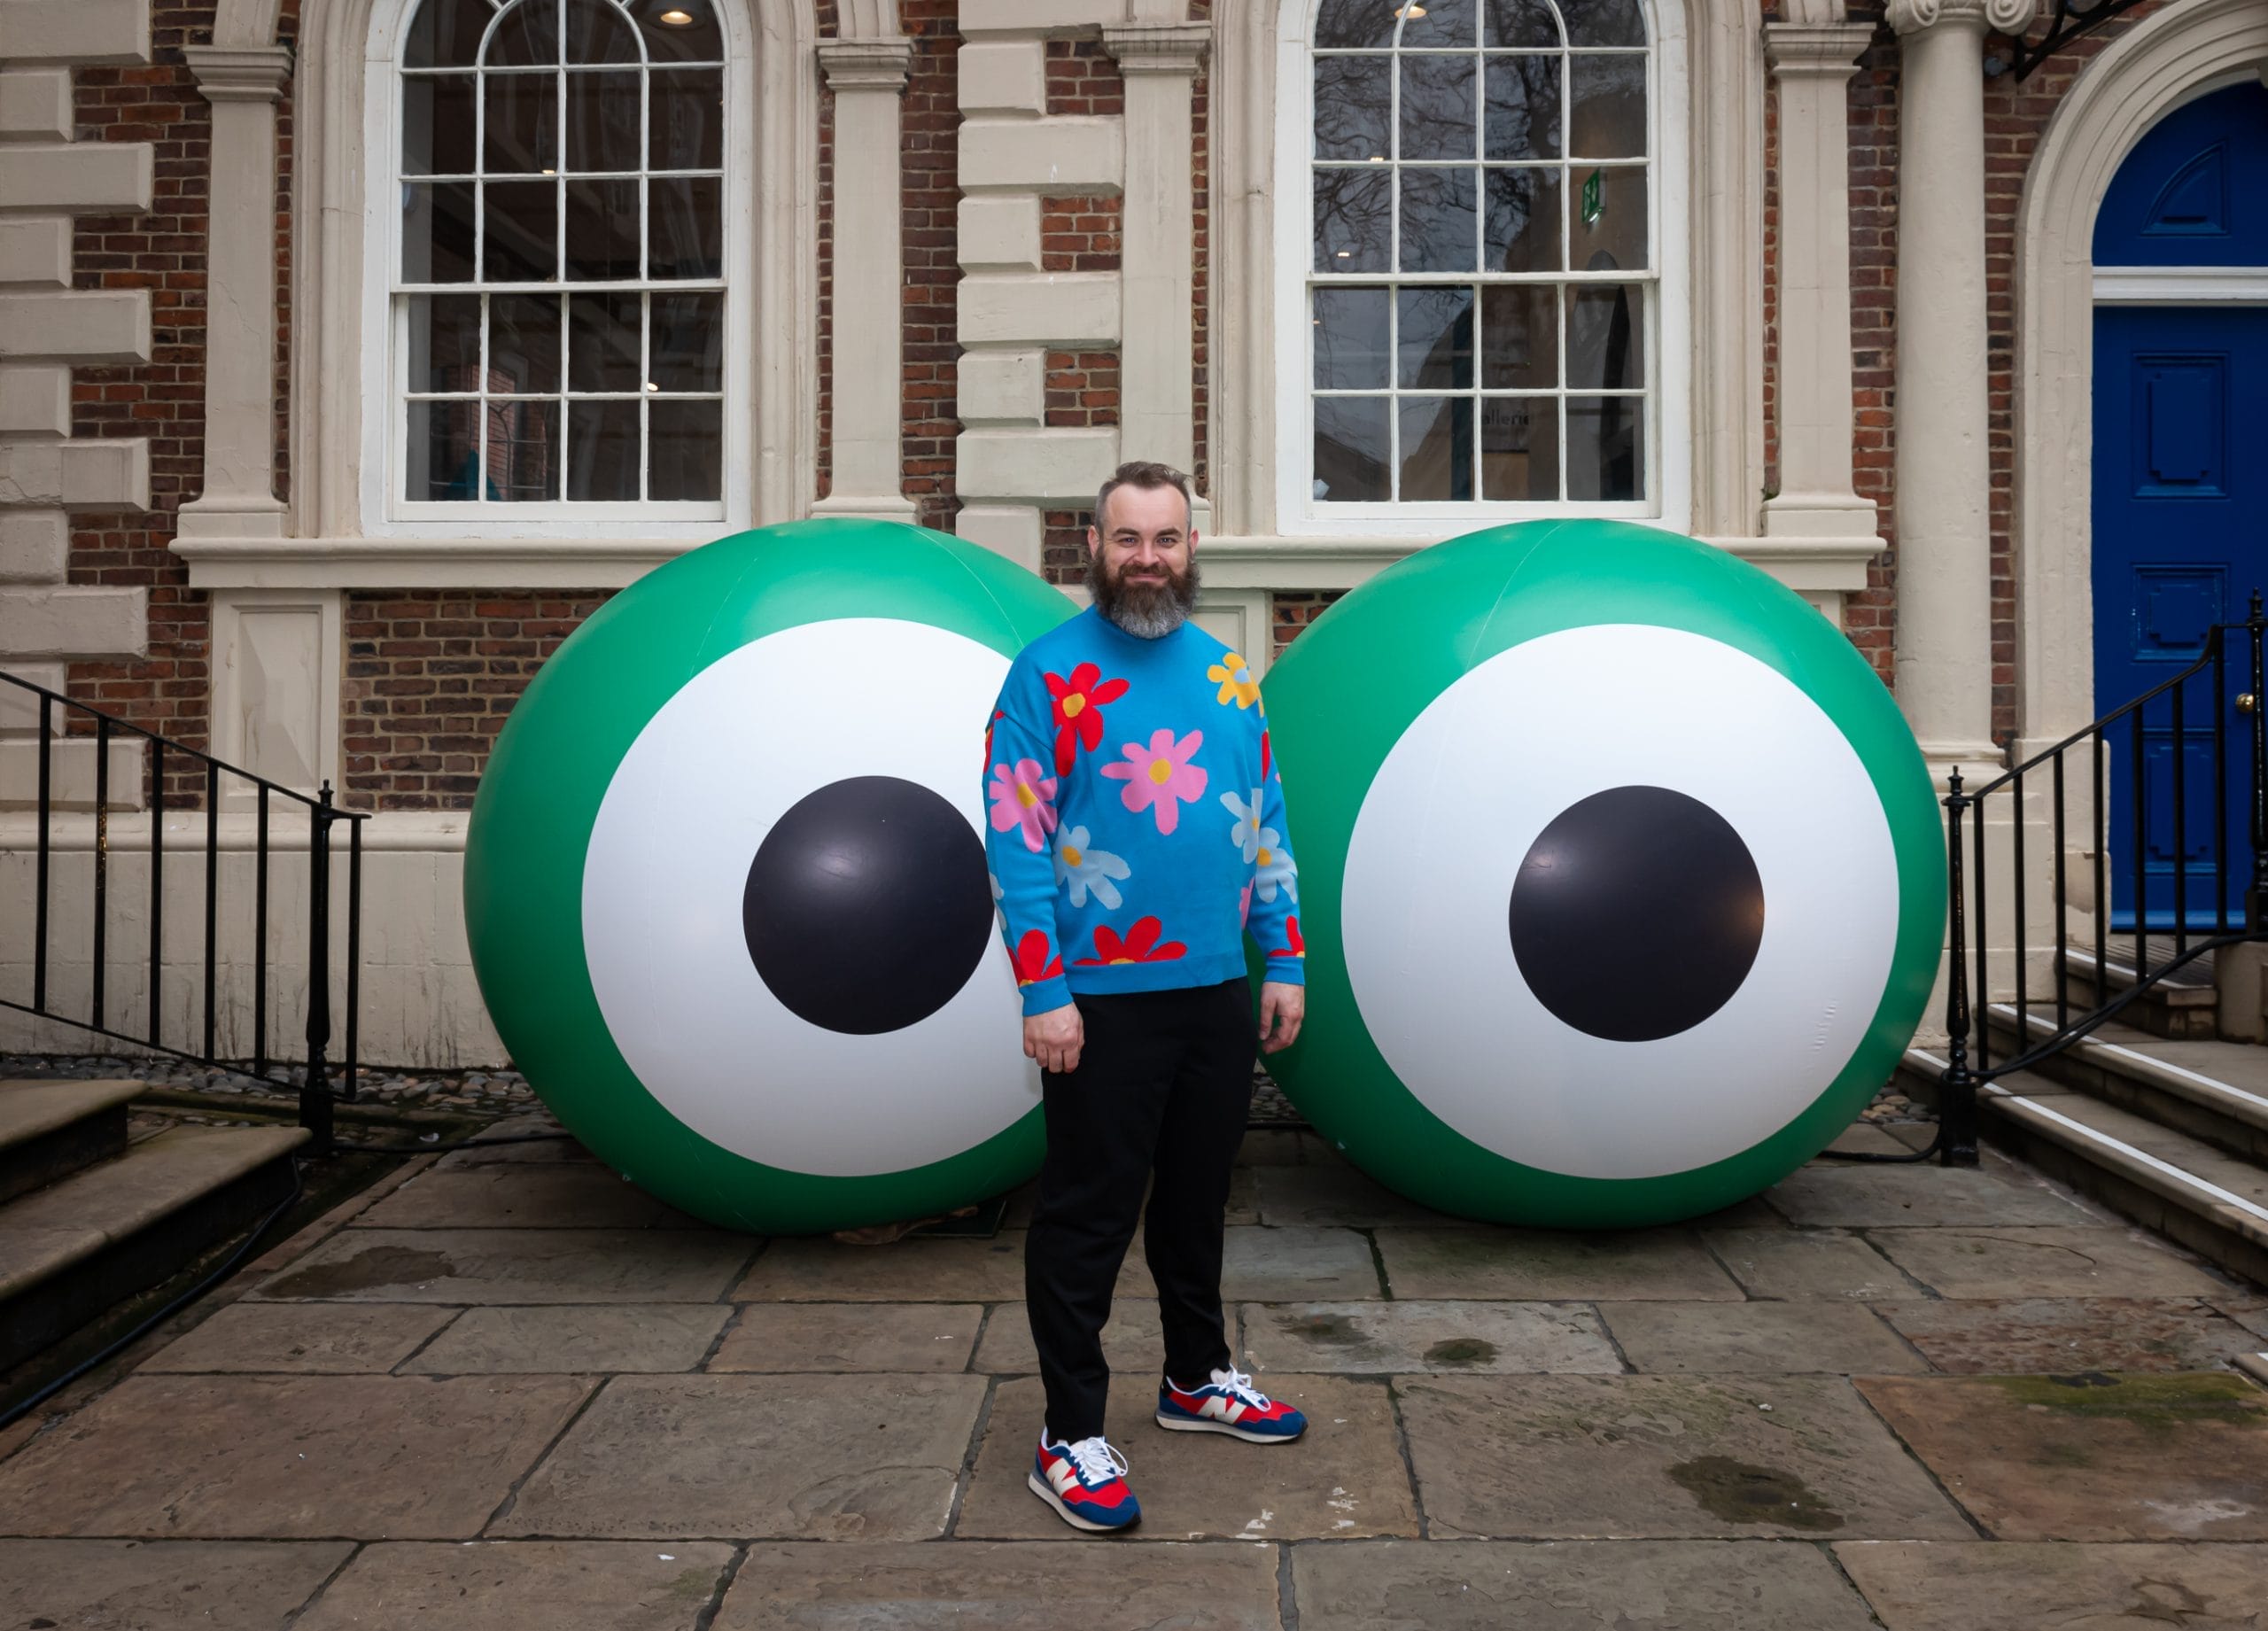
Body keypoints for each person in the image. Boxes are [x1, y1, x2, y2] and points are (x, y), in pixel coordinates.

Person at [982, 459, 1309, 1534]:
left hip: (1215, 987)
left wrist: (1285, 957)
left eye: (1165, 538)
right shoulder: (1044, 676)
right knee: (1087, 1215)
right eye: (1127, 538)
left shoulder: (1228, 675)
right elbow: (1016, 840)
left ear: (1191, 547)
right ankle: (1068, 1431)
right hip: (1099, 1000)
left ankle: (1195, 1376)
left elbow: (1265, 821)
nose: (1147, 558)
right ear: (1092, 546)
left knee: (1195, 1200)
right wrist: (1043, 987)